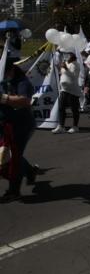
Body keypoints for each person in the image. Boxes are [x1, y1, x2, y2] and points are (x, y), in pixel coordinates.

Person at [0, 61, 36, 203]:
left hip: (20, 125)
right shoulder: (2, 80)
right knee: (10, 154)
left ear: (11, 70)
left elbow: (24, 101)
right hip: (4, 123)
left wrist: (3, 98)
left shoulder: (23, 82)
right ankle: (30, 171)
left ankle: (14, 191)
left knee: (13, 157)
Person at [52, 49, 81, 134]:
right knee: (61, 108)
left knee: (74, 109)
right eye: (65, 54)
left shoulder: (76, 64)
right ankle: (61, 126)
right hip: (64, 89)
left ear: (73, 55)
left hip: (72, 90)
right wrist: (60, 67)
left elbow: (74, 76)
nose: (66, 56)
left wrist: (66, 69)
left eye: (68, 54)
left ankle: (75, 126)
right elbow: (63, 74)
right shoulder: (66, 63)